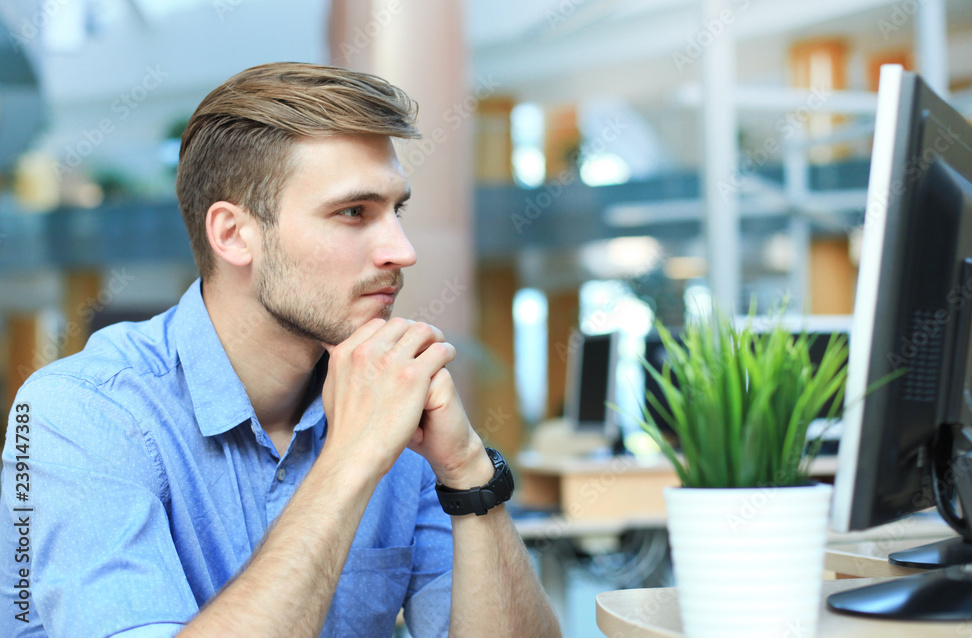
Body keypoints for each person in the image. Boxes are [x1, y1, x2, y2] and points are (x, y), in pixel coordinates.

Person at [0, 62, 560, 638]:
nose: (402, 250)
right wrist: (352, 459)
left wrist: (468, 471)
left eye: (398, 211)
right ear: (233, 235)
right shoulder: (80, 413)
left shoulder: (395, 409)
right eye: (353, 212)